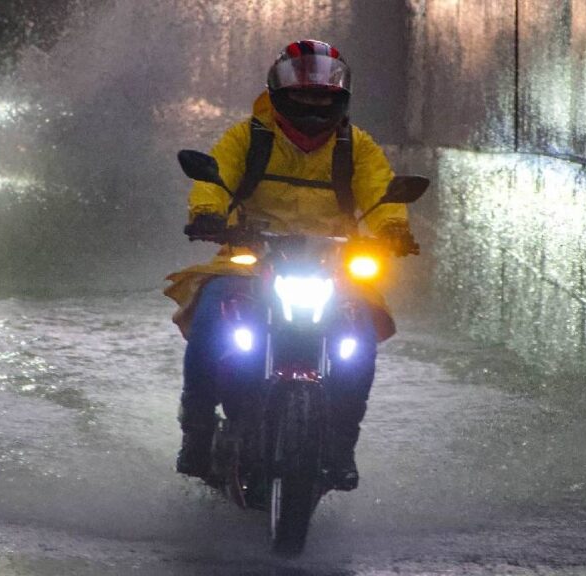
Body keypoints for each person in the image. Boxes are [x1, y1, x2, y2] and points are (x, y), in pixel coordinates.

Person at [164, 39, 418, 491]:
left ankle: (341, 444)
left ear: (340, 99)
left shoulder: (356, 147)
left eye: (322, 96)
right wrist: (207, 214)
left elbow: (380, 195)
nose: (312, 104)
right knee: (211, 315)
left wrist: (392, 228)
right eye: (302, 95)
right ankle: (197, 431)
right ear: (280, 94)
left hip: (333, 263)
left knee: (360, 336)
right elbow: (216, 178)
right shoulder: (249, 137)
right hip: (252, 258)